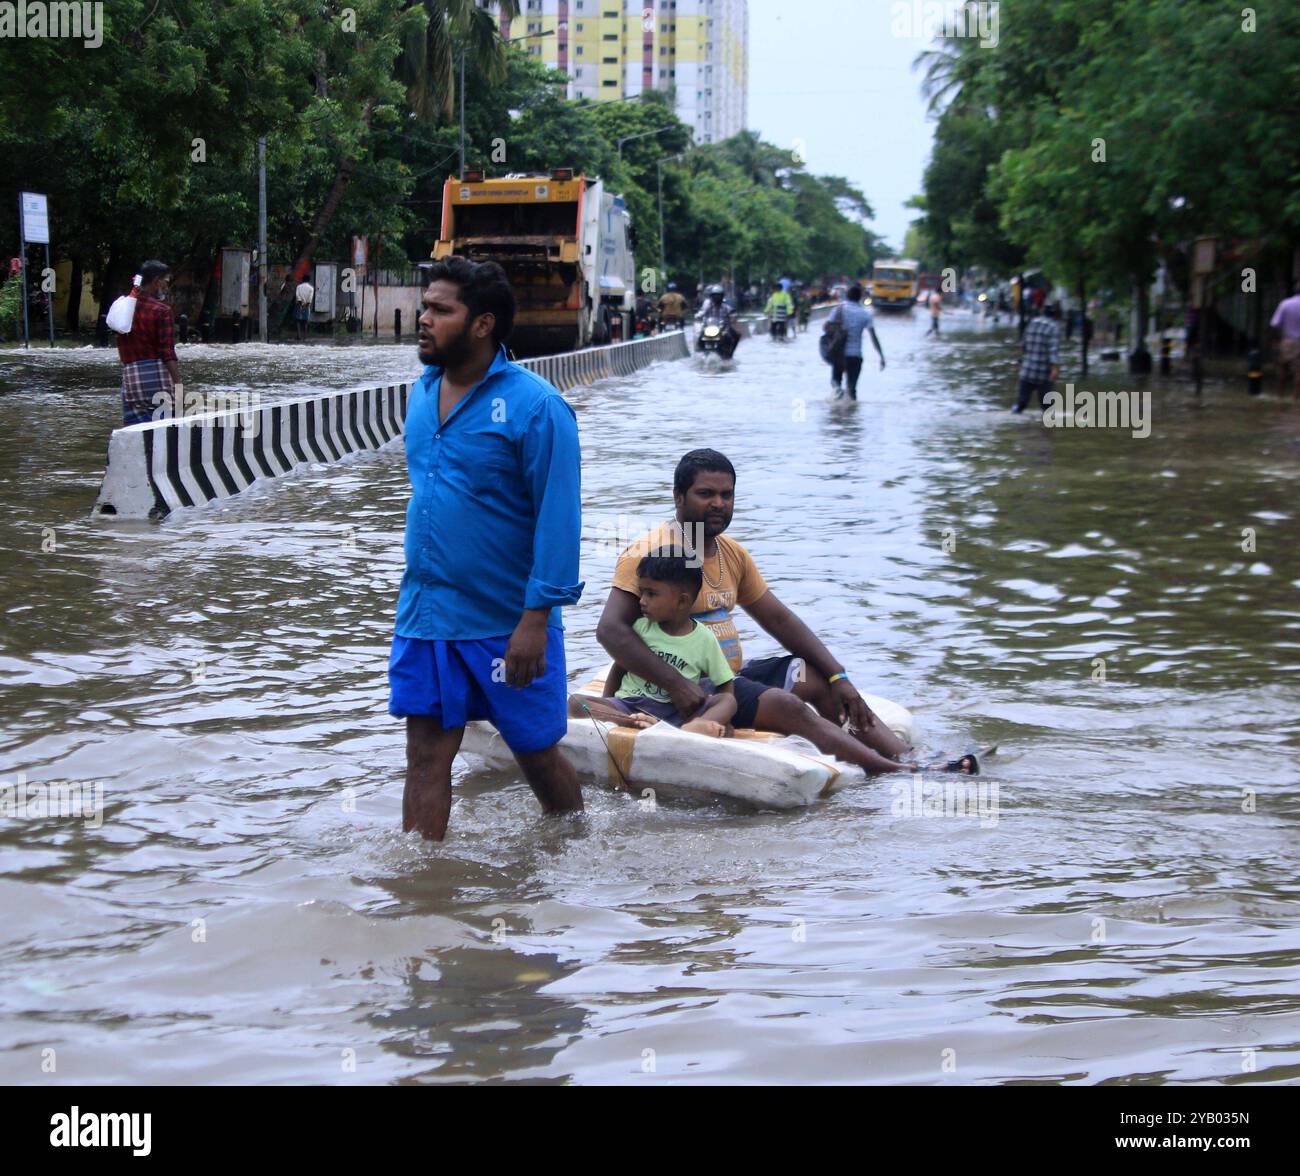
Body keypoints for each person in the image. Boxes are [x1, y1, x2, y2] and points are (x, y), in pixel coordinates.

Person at [594, 450, 979, 775]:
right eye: (705, 494)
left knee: (815, 676)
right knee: (787, 705)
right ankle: (896, 774)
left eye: (727, 495)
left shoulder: (731, 553)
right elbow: (612, 631)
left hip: (726, 676)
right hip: (687, 690)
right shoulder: (651, 553)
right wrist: (679, 686)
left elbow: (779, 620)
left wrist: (840, 675)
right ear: (678, 497)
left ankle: (903, 756)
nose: (718, 504)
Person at [389, 256, 585, 840]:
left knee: (536, 753)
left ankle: (571, 847)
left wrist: (535, 618)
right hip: (425, 618)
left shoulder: (537, 407)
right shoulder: (422, 394)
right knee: (425, 752)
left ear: (482, 324)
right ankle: (422, 889)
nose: (423, 319)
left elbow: (559, 520)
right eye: (425, 306)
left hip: (507, 622)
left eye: (440, 310)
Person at [568, 551, 737, 738]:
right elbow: (619, 668)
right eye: (642, 592)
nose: (642, 601)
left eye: (651, 594)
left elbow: (725, 684)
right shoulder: (640, 628)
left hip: (676, 712)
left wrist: (718, 716)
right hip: (631, 706)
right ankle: (636, 724)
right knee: (576, 702)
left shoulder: (705, 639)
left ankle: (695, 726)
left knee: (728, 701)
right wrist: (608, 702)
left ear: (682, 601)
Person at [116, 260, 180, 426]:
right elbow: (167, 352)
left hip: (130, 380)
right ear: (156, 281)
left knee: (135, 434)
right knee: (164, 436)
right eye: (166, 282)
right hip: (156, 380)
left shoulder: (123, 308)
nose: (167, 287)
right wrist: (178, 385)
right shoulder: (162, 311)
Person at [825, 283, 884, 400]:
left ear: (847, 295)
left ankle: (837, 392)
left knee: (835, 381)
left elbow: (826, 327)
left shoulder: (838, 309)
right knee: (852, 388)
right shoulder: (865, 314)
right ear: (860, 297)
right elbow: (873, 337)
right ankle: (852, 412)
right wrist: (881, 356)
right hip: (856, 355)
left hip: (840, 354)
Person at [1013, 302, 1060, 413]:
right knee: (1047, 408)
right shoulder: (1053, 327)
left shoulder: (1032, 323)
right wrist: (1055, 369)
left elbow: (1022, 345)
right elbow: (1053, 350)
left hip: (1027, 370)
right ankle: (1046, 430)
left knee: (1021, 404)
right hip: (1043, 374)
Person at [1269, 280, 1300, 400]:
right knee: (1298, 371)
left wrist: (1275, 341)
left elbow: (1275, 324)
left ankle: (1279, 396)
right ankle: (1295, 398)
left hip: (1287, 341)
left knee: (1282, 369)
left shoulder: (1285, 304)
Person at [697, 284, 741, 358]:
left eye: (719, 296)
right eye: (715, 296)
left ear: (722, 296)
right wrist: (698, 316)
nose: (717, 297)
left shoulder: (726, 308)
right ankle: (702, 353)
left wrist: (733, 319)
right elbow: (702, 313)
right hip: (710, 328)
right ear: (712, 297)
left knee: (737, 335)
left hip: (723, 329)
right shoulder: (708, 307)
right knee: (700, 338)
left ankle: (730, 353)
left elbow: (733, 316)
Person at [294, 276, 314, 341]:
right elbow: (310, 297)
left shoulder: (298, 287)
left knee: (298, 320)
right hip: (307, 305)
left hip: (299, 304)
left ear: (302, 280)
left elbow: (297, 295)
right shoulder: (311, 288)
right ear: (309, 280)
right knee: (305, 321)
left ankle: (299, 335)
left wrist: (300, 301)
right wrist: (307, 303)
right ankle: (305, 337)